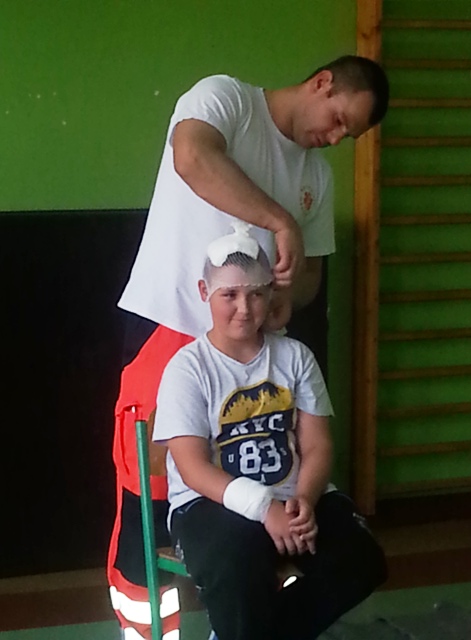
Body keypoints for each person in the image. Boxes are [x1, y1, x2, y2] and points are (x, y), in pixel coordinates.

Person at [107, 55, 389, 638]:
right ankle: (147, 628)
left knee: (262, 485)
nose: (336, 137)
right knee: (149, 496)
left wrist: (286, 297)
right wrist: (280, 220)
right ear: (321, 83)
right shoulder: (227, 99)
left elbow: (308, 276)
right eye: (339, 119)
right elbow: (192, 157)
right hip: (169, 328)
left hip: (256, 349)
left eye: (349, 135)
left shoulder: (317, 177)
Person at [152, 225, 387, 640]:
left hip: (293, 498)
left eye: (256, 294)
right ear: (205, 292)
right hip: (210, 504)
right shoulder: (188, 368)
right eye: (229, 295)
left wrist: (304, 501)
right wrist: (265, 509)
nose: (244, 308)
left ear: (270, 294)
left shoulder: (295, 357)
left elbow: (317, 444)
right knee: (240, 562)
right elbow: (192, 468)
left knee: (362, 560)